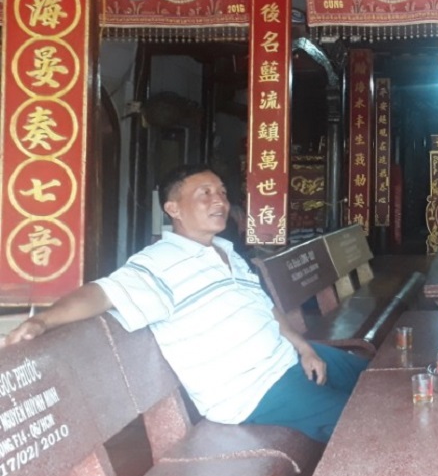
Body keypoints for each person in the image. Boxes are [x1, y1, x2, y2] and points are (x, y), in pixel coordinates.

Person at [2, 164, 366, 443]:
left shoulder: (226, 251)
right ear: (173, 208)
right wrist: (43, 321)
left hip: (287, 360)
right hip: (253, 392)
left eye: (222, 192)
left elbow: (265, 310)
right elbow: (101, 293)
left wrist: (304, 348)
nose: (220, 201)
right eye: (205, 193)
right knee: (362, 428)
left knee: (375, 381)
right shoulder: (156, 263)